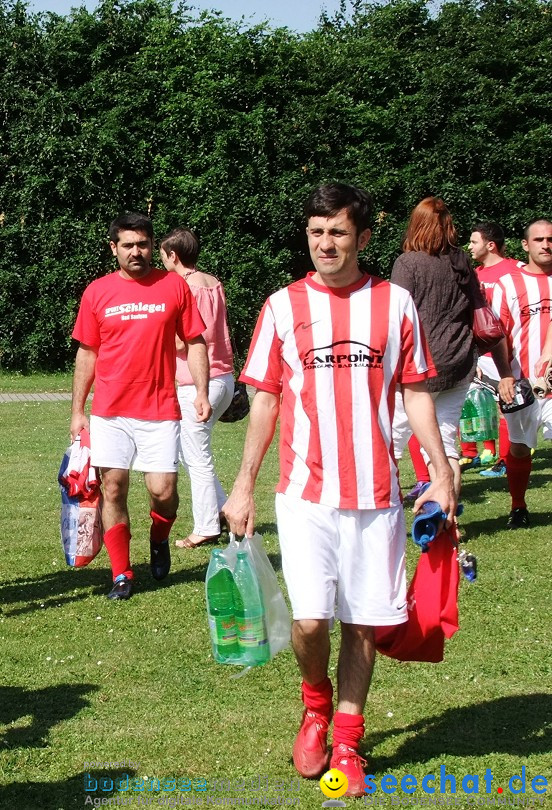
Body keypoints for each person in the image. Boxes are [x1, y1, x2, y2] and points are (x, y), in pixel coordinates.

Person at [223, 183, 457, 796]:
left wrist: (440, 470)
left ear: (363, 238)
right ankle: (315, 706)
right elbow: (266, 400)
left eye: (339, 233)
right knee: (309, 622)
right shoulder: (280, 306)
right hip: (303, 496)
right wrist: (243, 484)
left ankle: (347, 742)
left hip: (378, 497)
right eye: (316, 232)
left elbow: (416, 392)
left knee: (363, 623)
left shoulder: (396, 303)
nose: (326, 244)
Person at [70, 212, 210, 600]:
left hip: (160, 406)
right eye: (128, 245)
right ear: (114, 248)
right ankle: (121, 574)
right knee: (113, 487)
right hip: (110, 410)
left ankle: (159, 537)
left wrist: (200, 390)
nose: (137, 251)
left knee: (163, 490)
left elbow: (195, 340)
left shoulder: (174, 287)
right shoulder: (97, 292)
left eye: (143, 244)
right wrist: (78, 410)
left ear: (153, 246)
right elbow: (88, 352)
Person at [389, 198, 512, 500]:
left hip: (419, 369)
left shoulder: (409, 263)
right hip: (459, 365)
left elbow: (395, 319)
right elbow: (481, 312)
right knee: (444, 446)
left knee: (388, 442)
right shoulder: (461, 261)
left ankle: (378, 511)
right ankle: (449, 522)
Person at [158, 228, 235, 548]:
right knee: (186, 451)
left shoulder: (185, 288)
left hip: (197, 383)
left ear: (173, 255)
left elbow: (183, 340)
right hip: (224, 378)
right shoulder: (212, 282)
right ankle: (225, 510)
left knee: (197, 457)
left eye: (162, 255)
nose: (161, 261)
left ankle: (206, 527)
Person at [488, 218, 552, 529]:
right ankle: (518, 505)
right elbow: (498, 333)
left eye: (550, 239)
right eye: (538, 240)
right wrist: (505, 375)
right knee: (520, 447)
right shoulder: (508, 284)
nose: (546, 244)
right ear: (525, 245)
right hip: (524, 383)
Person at [461, 221, 521, 476]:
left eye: (474, 241)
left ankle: (506, 460)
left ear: (490, 245)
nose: (470, 246)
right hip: (481, 353)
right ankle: (477, 454)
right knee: (476, 404)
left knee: (508, 407)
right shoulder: (474, 275)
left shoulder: (517, 270)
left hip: (510, 351)